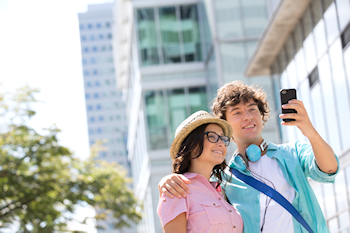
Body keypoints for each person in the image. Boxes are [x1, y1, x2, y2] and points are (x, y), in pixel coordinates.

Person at [158, 81, 339, 233]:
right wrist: (167, 180)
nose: (247, 117)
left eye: (252, 109)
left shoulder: (292, 153)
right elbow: (196, 183)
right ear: (225, 125)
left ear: (261, 116)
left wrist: (309, 131)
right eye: (237, 112)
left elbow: (329, 169)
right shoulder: (223, 180)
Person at [157, 110, 243, 233]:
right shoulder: (177, 189)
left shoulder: (222, 192)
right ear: (192, 144)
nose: (221, 144)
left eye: (223, 139)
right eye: (212, 137)